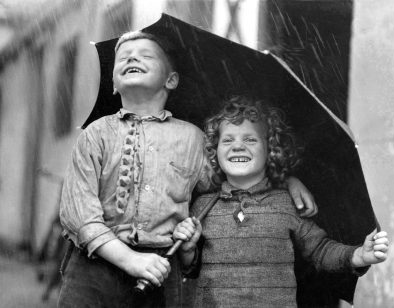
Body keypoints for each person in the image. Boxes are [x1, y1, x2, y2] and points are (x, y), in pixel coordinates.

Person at [58, 31, 317, 308]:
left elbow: (230, 179)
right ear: (113, 83)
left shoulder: (194, 139)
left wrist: (285, 180)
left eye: (145, 55)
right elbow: (79, 215)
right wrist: (130, 259)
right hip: (95, 267)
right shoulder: (95, 135)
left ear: (171, 80)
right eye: (123, 58)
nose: (132, 57)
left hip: (162, 266)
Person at [173, 96, 389, 308]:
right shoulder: (203, 207)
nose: (237, 146)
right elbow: (191, 270)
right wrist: (187, 251)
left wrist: (358, 255)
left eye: (250, 139)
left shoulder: (287, 203)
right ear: (214, 152)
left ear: (271, 151)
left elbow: (320, 251)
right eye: (227, 140)